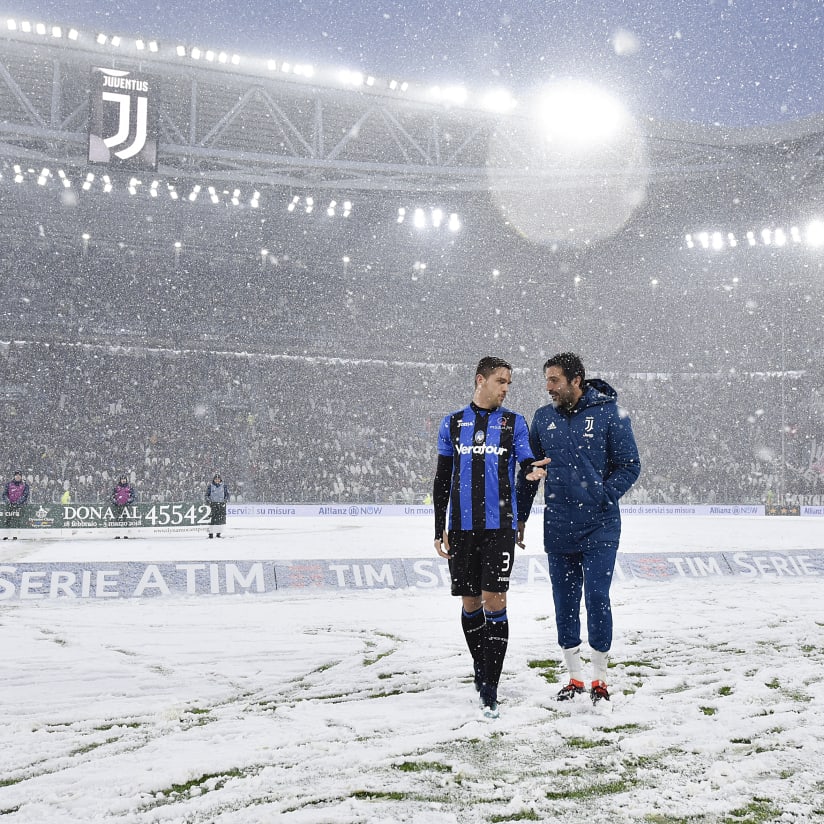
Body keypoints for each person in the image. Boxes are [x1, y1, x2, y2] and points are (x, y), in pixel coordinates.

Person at [517, 352, 640, 705]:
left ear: (576, 380)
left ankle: (599, 679)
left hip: (600, 525)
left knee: (597, 597)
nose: (548, 387)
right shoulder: (542, 418)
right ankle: (573, 677)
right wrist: (520, 518)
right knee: (564, 602)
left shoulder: (610, 413)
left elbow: (630, 465)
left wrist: (604, 494)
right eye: (547, 380)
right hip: (558, 526)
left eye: (554, 380)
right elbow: (529, 471)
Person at [433, 356, 548, 719]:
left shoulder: (513, 423)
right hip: (463, 529)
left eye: (509, 383)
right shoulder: (452, 423)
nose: (505, 388)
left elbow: (526, 462)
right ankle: (481, 668)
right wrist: (439, 526)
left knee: (494, 602)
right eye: (500, 381)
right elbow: (442, 479)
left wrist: (531, 473)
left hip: (500, 528)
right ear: (480, 380)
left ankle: (491, 685)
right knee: (470, 604)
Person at [2, 470, 30, 539]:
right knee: (8, 520)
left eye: (19, 475)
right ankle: (6, 535)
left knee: (18, 520)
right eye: (16, 475)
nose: (18, 476)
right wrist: (8, 502)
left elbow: (25, 495)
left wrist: (18, 503)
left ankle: (16, 535)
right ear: (14, 476)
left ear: (21, 477)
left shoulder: (25, 485)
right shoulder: (9, 484)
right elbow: (4, 494)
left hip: (20, 506)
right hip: (9, 506)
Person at [205, 472, 229, 538]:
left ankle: (218, 533)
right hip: (213, 505)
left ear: (220, 480)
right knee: (212, 519)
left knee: (220, 519)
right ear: (214, 480)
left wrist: (225, 500)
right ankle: (210, 533)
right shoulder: (210, 486)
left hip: (221, 504)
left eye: (218, 479)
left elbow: (227, 495)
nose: (217, 480)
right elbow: (207, 495)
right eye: (216, 479)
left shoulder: (224, 486)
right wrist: (209, 501)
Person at [111, 474, 136, 538]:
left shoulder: (129, 487)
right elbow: (112, 496)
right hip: (118, 506)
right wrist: (115, 501)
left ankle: (126, 534)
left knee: (126, 520)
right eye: (122, 479)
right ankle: (117, 534)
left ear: (126, 480)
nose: (123, 480)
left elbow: (133, 496)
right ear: (120, 480)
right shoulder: (116, 487)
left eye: (124, 479)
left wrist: (129, 501)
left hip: (126, 506)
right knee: (117, 520)